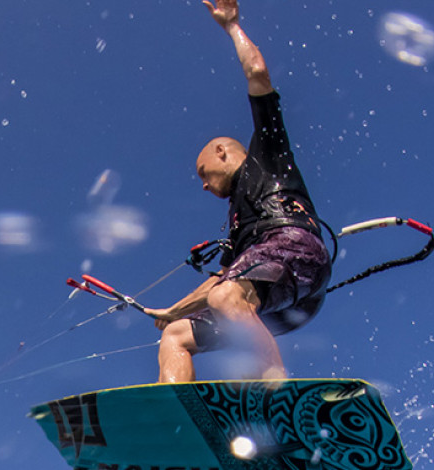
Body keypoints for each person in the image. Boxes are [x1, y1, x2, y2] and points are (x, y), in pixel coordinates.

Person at [144, 0, 331, 382]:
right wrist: (174, 311)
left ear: (221, 152)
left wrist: (231, 27)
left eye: (203, 172)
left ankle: (273, 386)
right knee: (175, 335)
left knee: (226, 295)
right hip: (268, 303)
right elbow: (222, 279)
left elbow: (257, 72)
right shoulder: (236, 224)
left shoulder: (268, 156)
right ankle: (174, 406)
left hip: (297, 253)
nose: (203, 183)